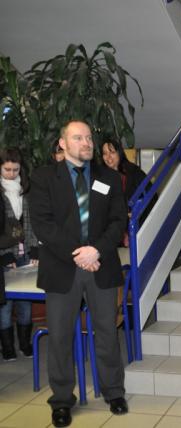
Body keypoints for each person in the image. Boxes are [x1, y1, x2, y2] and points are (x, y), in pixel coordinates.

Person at [29, 120, 129, 427]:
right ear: (62, 143)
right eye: (78, 138)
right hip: (62, 268)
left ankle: (114, 392)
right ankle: (61, 400)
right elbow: (43, 224)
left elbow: (118, 221)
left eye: (88, 137)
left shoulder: (109, 177)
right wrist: (80, 254)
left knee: (107, 332)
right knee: (60, 337)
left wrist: (95, 251)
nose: (86, 142)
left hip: (101, 265)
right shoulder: (44, 177)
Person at [0, 148, 39, 361]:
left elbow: (31, 223)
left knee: (25, 304)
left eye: (15, 170)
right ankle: (7, 348)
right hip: (5, 257)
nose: (11, 174)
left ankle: (25, 344)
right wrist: (5, 255)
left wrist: (35, 249)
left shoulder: (26, 191)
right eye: (7, 169)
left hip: (25, 255)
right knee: (5, 306)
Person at [100, 139, 156, 243]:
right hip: (111, 231)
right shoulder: (101, 177)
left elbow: (151, 196)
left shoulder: (133, 172)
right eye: (105, 153)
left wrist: (136, 217)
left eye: (112, 152)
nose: (108, 157)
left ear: (119, 153)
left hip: (135, 228)